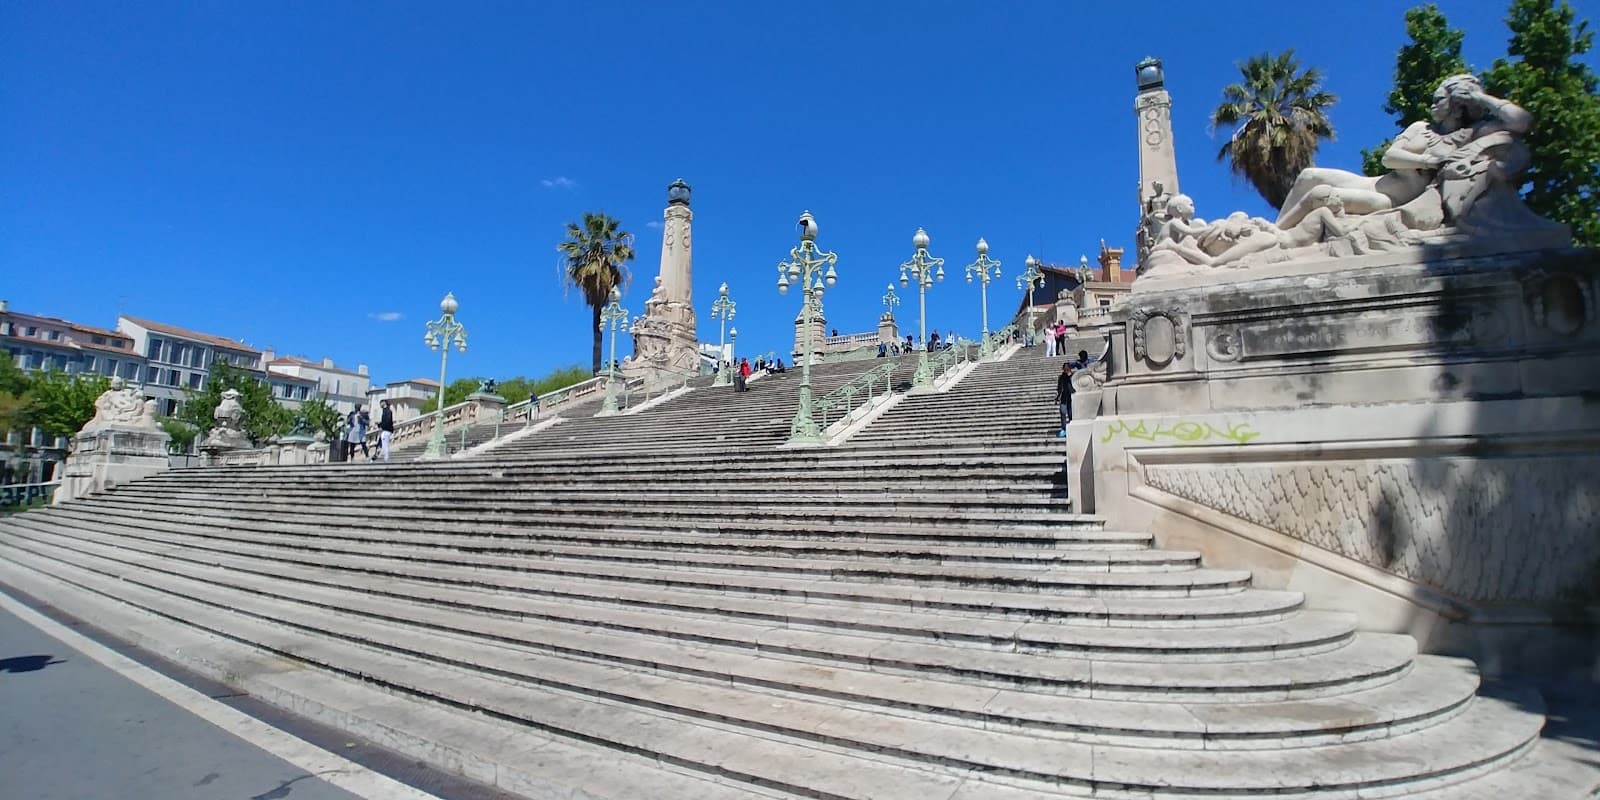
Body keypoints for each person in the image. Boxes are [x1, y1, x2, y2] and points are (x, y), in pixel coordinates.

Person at [1053, 362, 1074, 438]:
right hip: (1064, 397)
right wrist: (1057, 397)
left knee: (1071, 413)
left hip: (1072, 397)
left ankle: (1072, 427)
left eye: (1067, 369)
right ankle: (1064, 428)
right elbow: (1059, 388)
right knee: (1062, 412)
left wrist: (1070, 377)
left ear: (1070, 369)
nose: (1065, 371)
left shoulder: (1074, 376)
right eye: (1064, 370)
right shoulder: (1061, 377)